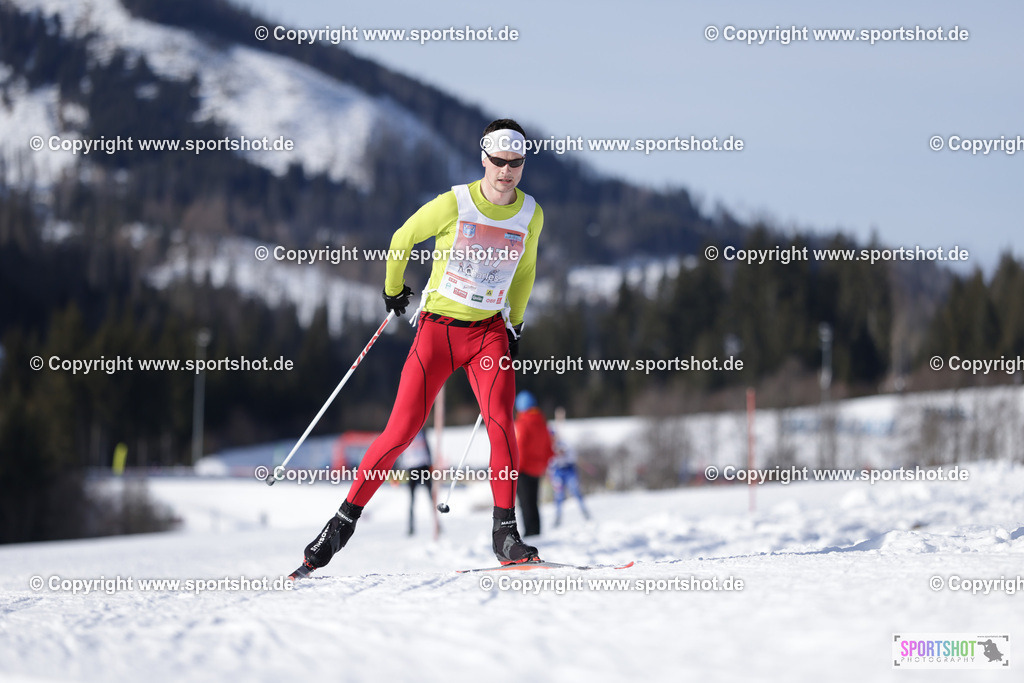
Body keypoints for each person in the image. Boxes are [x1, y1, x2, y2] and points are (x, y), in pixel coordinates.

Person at [297, 119, 545, 573]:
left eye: (516, 163)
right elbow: (403, 238)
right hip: (437, 333)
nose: (506, 171)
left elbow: (525, 271)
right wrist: (393, 289)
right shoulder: (458, 202)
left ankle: (505, 533)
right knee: (401, 432)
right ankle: (340, 524)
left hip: (488, 332)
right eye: (498, 161)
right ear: (483, 158)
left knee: (501, 425)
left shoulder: (531, 213)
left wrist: (517, 322)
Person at [513, 390, 554, 537]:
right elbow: (549, 448)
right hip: (537, 469)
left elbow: (520, 448)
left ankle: (530, 533)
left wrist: (515, 468)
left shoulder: (522, 424)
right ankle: (536, 531)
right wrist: (543, 464)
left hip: (523, 469)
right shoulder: (542, 423)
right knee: (534, 502)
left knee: (525, 503)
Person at [548, 427, 590, 527]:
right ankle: (558, 518)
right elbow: (549, 462)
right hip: (557, 472)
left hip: (569, 470)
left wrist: (564, 453)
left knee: (575, 491)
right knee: (558, 496)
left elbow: (573, 457)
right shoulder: (548, 446)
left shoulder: (565, 444)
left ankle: (585, 513)